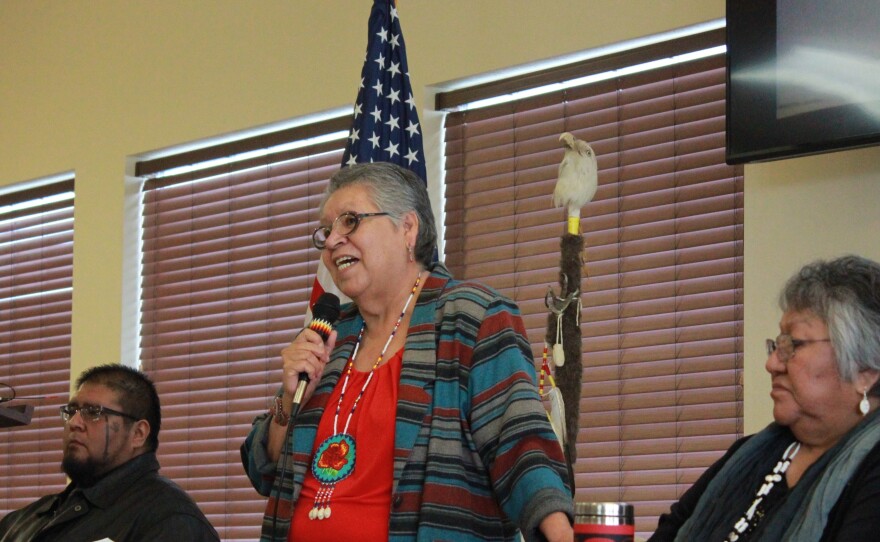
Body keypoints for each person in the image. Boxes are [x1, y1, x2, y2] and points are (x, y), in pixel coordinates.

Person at [242, 162, 574, 542]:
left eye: (350, 221)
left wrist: (558, 531)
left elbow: (520, 443)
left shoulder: (471, 317)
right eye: (327, 230)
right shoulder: (329, 334)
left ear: (408, 229)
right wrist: (288, 398)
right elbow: (264, 471)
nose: (332, 241)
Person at [649, 255, 880, 542]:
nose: (772, 364)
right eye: (776, 345)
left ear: (865, 371)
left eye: (792, 345)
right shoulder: (749, 454)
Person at [0, 364, 219, 542]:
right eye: (71, 411)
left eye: (93, 412)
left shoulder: (169, 519)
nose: (75, 423)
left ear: (138, 433)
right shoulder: (22, 521)